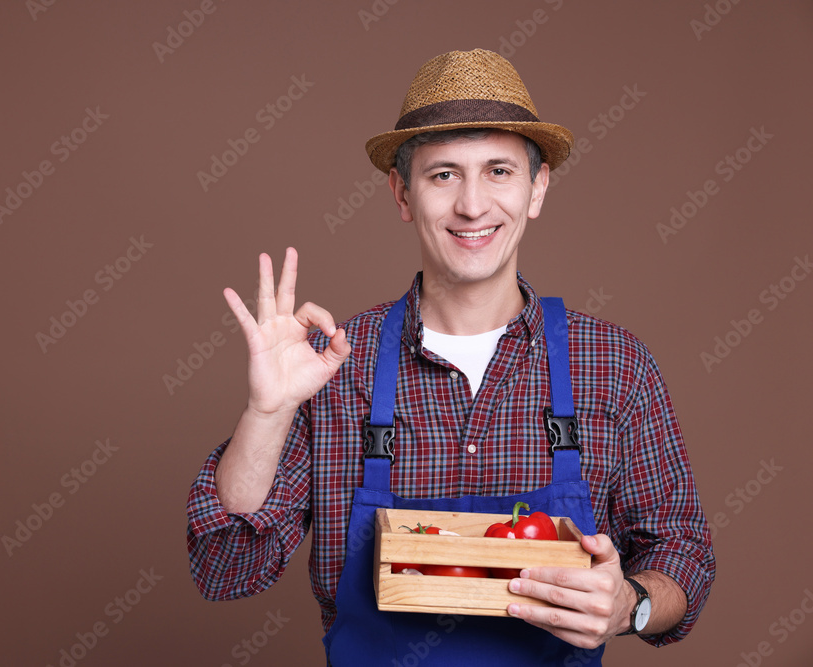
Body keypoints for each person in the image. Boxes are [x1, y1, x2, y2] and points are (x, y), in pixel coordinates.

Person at [187, 48, 714, 665]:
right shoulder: (334, 368)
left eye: (498, 171)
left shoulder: (614, 364)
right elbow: (225, 570)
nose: (471, 205)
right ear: (402, 193)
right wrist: (267, 412)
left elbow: (682, 553)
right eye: (443, 174)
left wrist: (631, 603)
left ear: (536, 188)